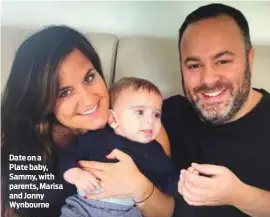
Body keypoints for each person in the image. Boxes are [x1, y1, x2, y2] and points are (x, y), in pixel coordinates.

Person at [1, 26, 175, 217]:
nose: (89, 99)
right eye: (64, 92)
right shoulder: (23, 147)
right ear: (41, 100)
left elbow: (165, 210)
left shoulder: (139, 123)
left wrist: (141, 188)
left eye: (89, 77)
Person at [161, 3, 270, 217]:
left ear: (250, 59)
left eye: (223, 61)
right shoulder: (165, 114)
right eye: (194, 65)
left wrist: (239, 195)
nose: (208, 79)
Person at [59, 77, 178, 217]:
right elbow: (67, 156)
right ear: (113, 119)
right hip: (84, 206)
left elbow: (168, 178)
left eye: (156, 114)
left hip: (126, 212)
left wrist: (182, 184)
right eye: (140, 112)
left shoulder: (154, 151)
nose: (150, 120)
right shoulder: (97, 138)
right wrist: (75, 175)